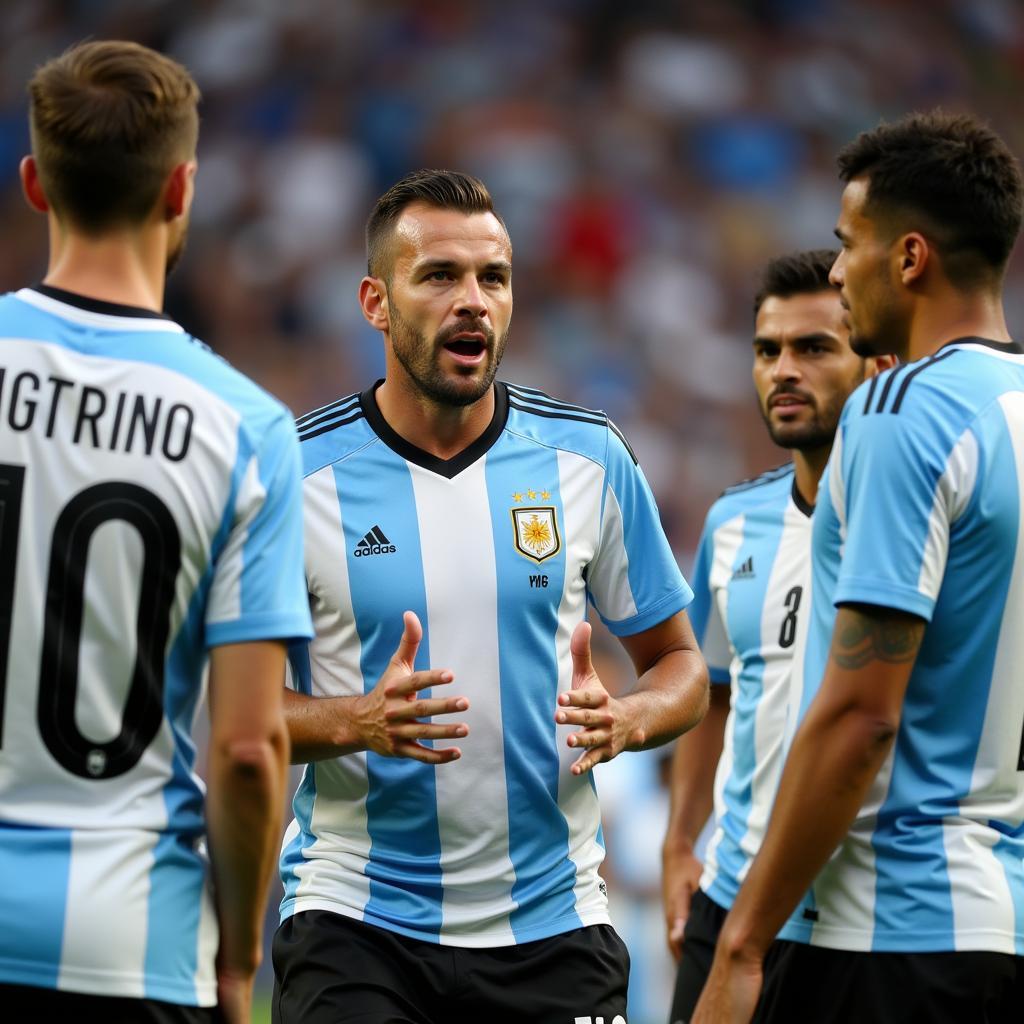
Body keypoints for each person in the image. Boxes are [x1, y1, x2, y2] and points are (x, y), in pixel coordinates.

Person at [273, 167, 709, 1024]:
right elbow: (227, 709)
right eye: (439, 276)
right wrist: (354, 722)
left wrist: (628, 720)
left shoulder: (588, 462)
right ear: (376, 301)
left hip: (555, 928)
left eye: (493, 278)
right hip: (357, 921)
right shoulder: (294, 477)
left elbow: (683, 666)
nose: (472, 300)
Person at [0, 40, 311, 1024]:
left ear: (33, 182)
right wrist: (242, 953)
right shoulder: (247, 428)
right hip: (127, 945)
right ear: (183, 188)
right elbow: (250, 747)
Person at [693, 111, 1024, 1024]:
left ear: (910, 258)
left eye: (848, 246)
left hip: (886, 928)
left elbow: (860, 718)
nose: (837, 272)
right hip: (1002, 920)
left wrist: (743, 940)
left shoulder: (896, 410)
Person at [661, 250, 893, 1023]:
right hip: (728, 900)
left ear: (874, 362)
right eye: (768, 351)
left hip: (865, 918)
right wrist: (679, 845)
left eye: (815, 348)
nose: (783, 370)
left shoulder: (916, 525)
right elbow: (714, 692)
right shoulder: (732, 524)